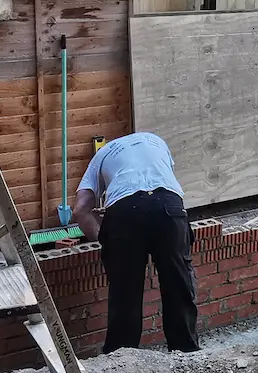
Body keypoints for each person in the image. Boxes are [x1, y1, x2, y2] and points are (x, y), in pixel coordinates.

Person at [71, 132, 201, 353]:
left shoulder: (101, 155)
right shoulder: (157, 141)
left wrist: (105, 239)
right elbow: (164, 182)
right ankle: (185, 353)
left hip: (124, 213)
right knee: (178, 283)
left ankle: (122, 358)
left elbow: (80, 209)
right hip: (169, 207)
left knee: (125, 291)